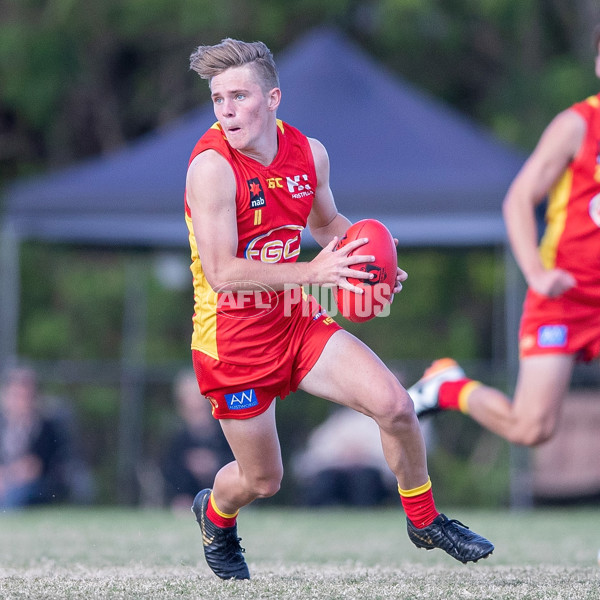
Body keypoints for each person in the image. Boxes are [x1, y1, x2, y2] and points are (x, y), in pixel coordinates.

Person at [184, 37, 494, 580]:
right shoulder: (212, 168)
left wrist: (368, 260)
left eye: (238, 96)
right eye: (217, 99)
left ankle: (423, 520)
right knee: (263, 481)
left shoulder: (310, 154)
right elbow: (222, 273)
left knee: (396, 406)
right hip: (232, 341)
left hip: (295, 320)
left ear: (273, 98)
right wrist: (315, 272)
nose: (227, 111)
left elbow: (325, 225)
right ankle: (215, 516)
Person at [409, 28, 600, 450]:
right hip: (565, 295)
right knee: (532, 429)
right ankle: (447, 388)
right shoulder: (578, 126)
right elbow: (518, 201)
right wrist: (536, 273)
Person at [292, 406, 397, 506]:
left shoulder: (381, 421)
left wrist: (361, 455)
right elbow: (319, 451)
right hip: (338, 470)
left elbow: (388, 454)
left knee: (364, 480)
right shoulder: (337, 421)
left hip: (369, 472)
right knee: (325, 481)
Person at [0, 365, 72, 508]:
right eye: (16, 396)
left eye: (26, 397)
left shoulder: (45, 427)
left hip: (35, 486)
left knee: (15, 496)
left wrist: (7, 476)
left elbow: (33, 468)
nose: (21, 402)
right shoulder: (4, 426)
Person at [161, 370, 233, 511]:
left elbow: (241, 463)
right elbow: (169, 470)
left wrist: (215, 463)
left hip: (225, 496)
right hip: (187, 498)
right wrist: (181, 493)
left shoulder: (225, 430)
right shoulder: (177, 437)